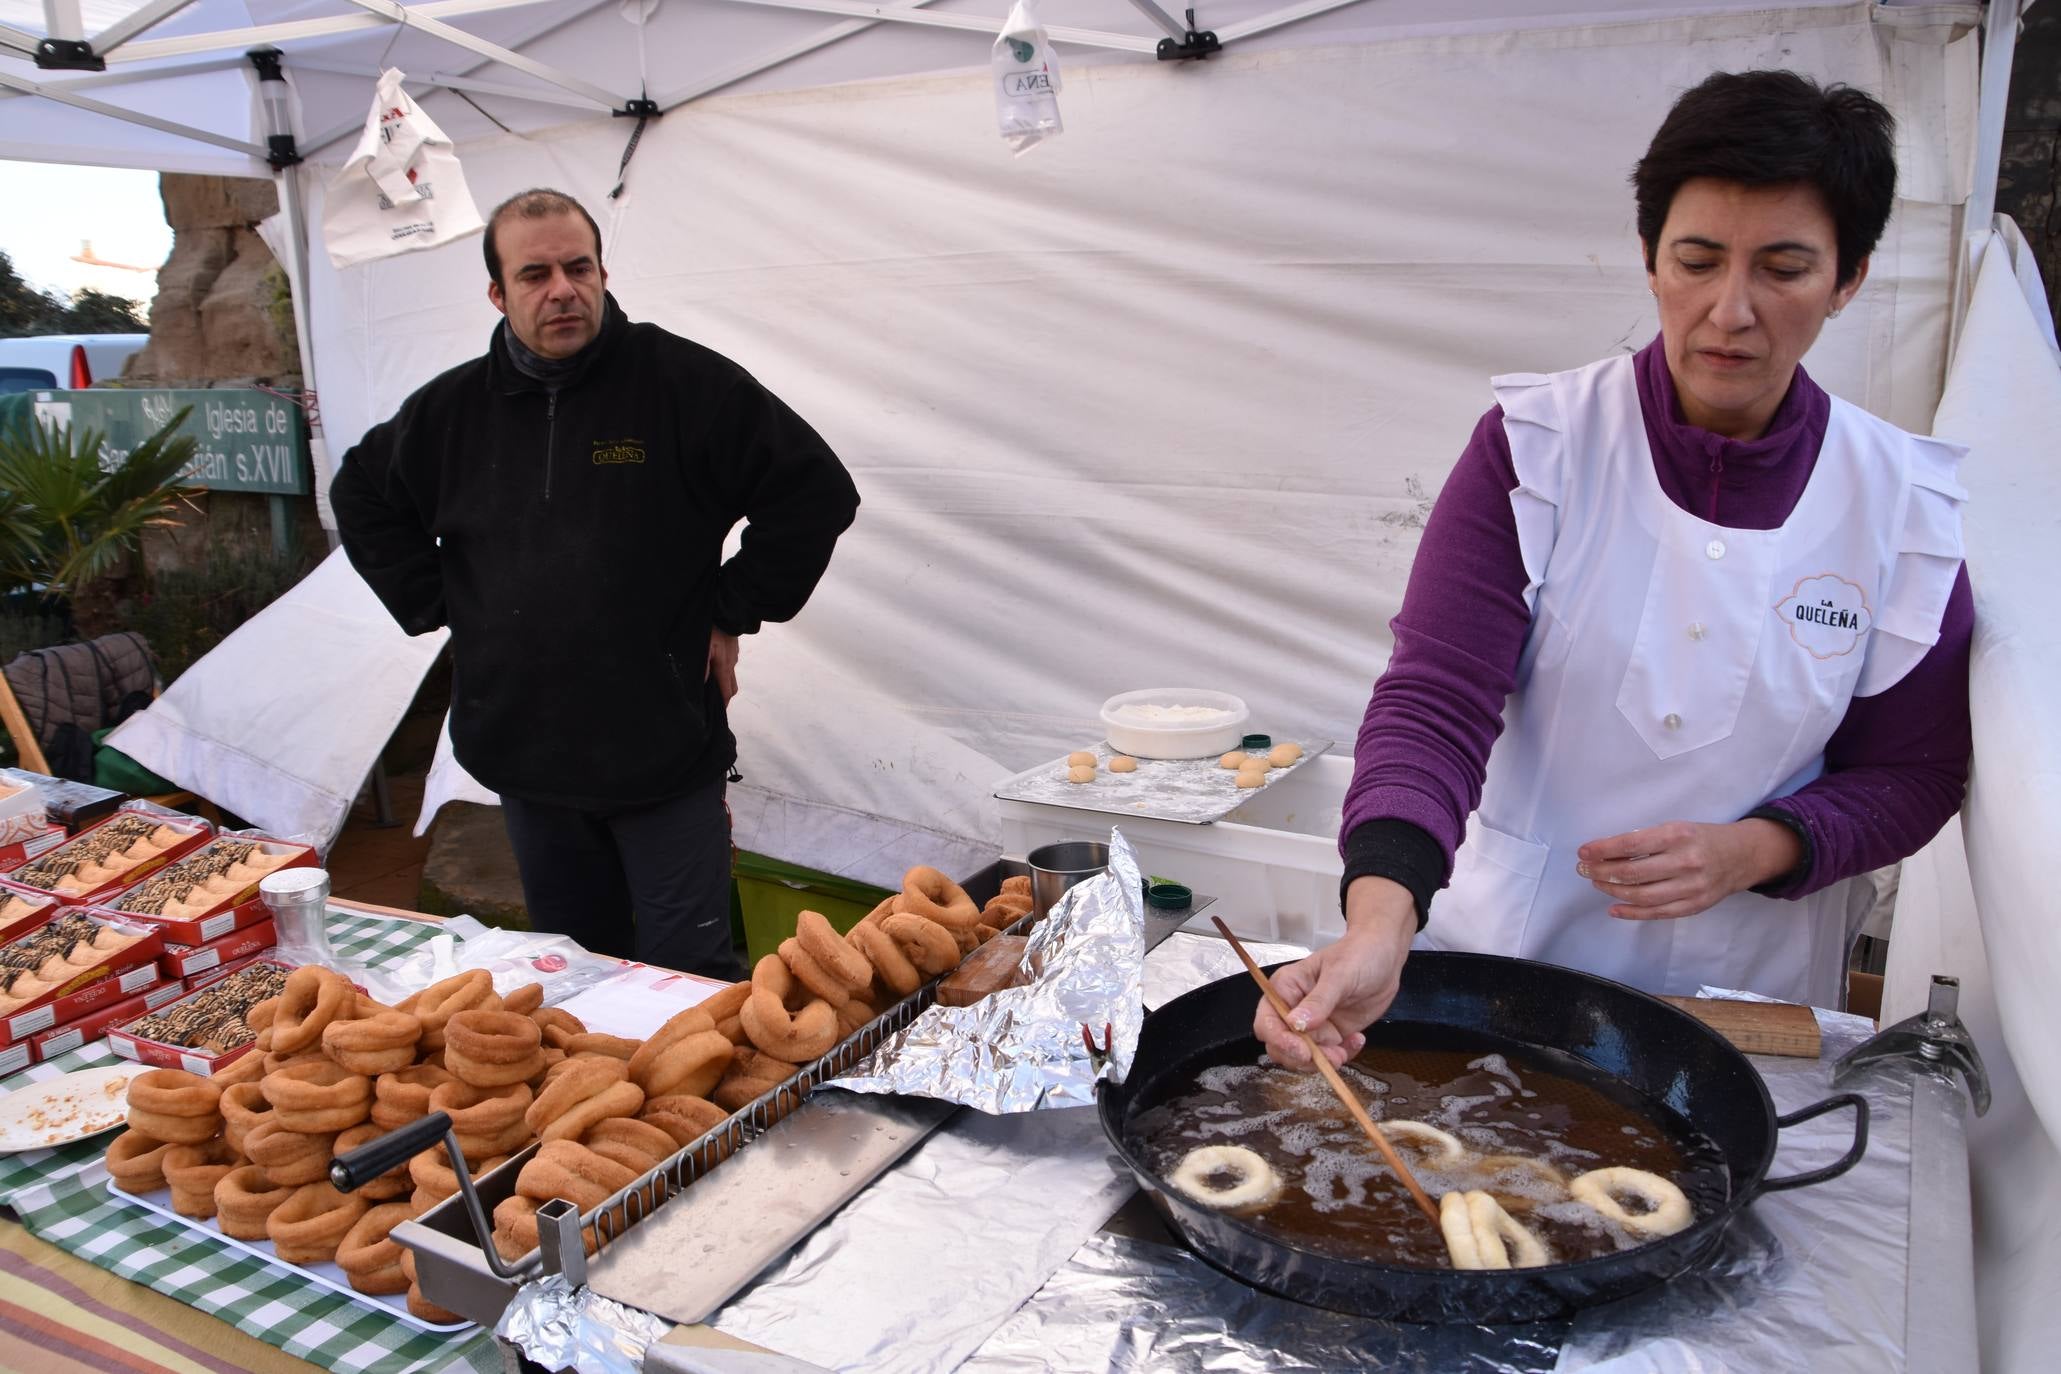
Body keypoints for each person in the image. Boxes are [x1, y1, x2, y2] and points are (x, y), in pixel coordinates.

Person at [1257, 71, 1972, 1069]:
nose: (1731, 311)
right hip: (1508, 968)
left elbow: (1916, 768)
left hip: (1742, 1004)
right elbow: (1436, 699)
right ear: (1647, 257)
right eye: (1697, 260)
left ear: (1847, 279)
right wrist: (1381, 918)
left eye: (1785, 268)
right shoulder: (1538, 448)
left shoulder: (1901, 505)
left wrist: (1762, 848)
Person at [333, 188, 859, 981]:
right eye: (535, 273)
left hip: (663, 750)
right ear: (498, 293)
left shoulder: (683, 384)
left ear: (604, 274)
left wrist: (730, 609)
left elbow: (814, 492)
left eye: (578, 268)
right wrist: (445, 605)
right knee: (577, 970)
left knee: (687, 975)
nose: (562, 290)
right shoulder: (450, 412)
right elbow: (362, 495)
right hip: (528, 755)